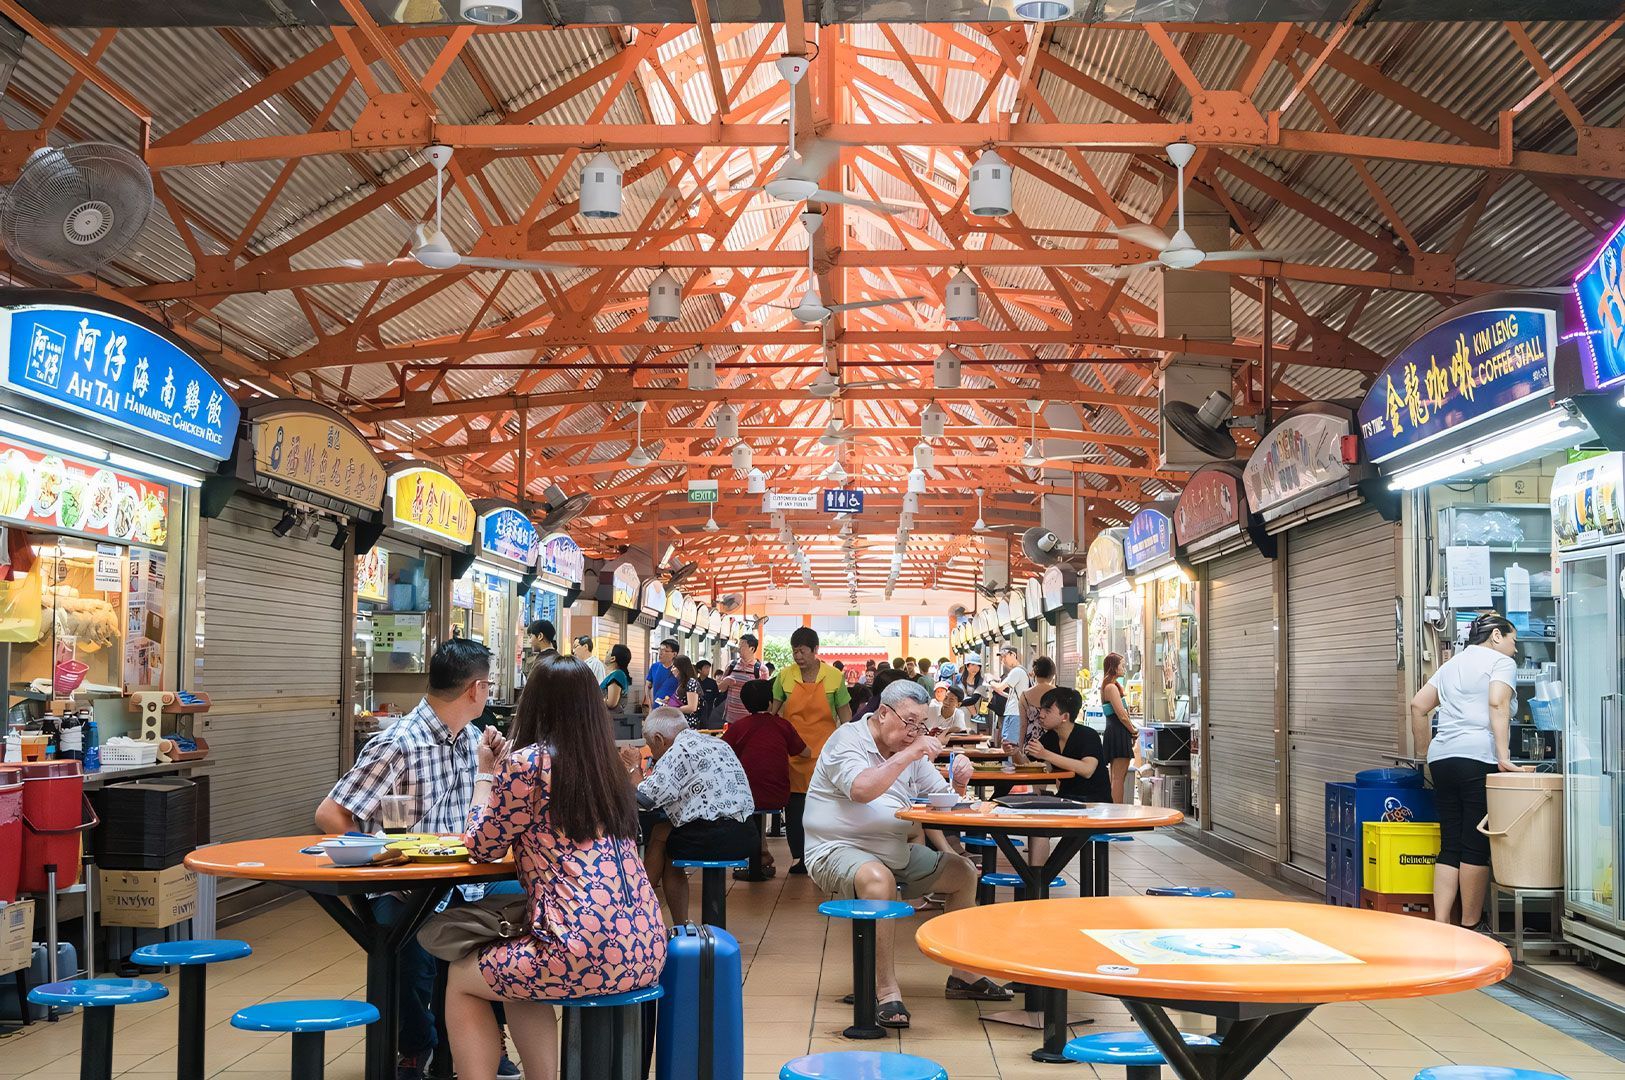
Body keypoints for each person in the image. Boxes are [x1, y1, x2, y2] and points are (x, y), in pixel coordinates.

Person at [446, 654, 666, 1080]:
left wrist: (486, 774)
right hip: (646, 947)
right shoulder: (609, 769)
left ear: (534, 705)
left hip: (580, 948)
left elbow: (481, 845)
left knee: (460, 977)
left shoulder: (527, 763)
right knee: (514, 974)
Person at [316, 640, 519, 1080]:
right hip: (405, 883)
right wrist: (379, 859)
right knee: (406, 948)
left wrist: (496, 770)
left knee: (523, 907)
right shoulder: (398, 743)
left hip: (466, 881)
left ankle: (481, 1040)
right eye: (490, 685)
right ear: (476, 688)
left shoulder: (471, 739)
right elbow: (330, 813)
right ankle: (418, 1045)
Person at [802, 680, 1013, 1027]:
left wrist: (959, 783)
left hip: (893, 849)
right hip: (835, 849)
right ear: (883, 713)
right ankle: (885, 990)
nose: (914, 732)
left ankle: (963, 975)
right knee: (877, 878)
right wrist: (908, 754)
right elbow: (860, 789)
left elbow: (943, 799)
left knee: (962, 873)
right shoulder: (846, 740)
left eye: (920, 725)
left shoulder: (908, 747)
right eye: (909, 722)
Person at [1409, 613, 1532, 931]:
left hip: (1443, 759)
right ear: (1496, 637)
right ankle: (1469, 925)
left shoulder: (1452, 664)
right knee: (1475, 842)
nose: (1515, 649)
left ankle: (1440, 924)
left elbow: (1418, 706)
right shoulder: (1500, 663)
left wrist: (1424, 752)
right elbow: (1497, 704)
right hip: (1477, 757)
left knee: (1450, 841)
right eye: (1513, 640)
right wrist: (1503, 757)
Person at [623, 708, 756, 921]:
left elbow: (645, 799)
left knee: (668, 846)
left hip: (715, 837)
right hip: (747, 833)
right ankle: (647, 909)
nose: (651, 750)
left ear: (659, 738)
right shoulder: (718, 743)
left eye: (650, 743)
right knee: (663, 831)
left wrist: (632, 767)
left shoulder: (678, 750)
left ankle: (642, 910)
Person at [770, 626, 852, 875]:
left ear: (815, 650)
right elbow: (773, 713)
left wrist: (848, 746)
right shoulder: (784, 677)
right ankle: (799, 857)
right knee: (794, 807)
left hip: (826, 753)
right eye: (794, 651)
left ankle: (824, 854)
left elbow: (845, 717)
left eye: (802, 651)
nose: (798, 656)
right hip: (793, 753)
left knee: (823, 806)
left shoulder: (834, 677)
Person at [721, 679, 810, 878]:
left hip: (745, 795)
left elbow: (723, 750)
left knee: (750, 804)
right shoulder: (782, 725)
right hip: (779, 794)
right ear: (771, 702)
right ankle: (762, 854)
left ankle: (758, 855)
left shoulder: (739, 726)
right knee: (766, 802)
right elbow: (805, 752)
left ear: (745, 704)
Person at [1023, 687, 1110, 803]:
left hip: (1093, 801)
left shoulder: (1088, 735)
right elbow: (1026, 764)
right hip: (1065, 798)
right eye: (1041, 709)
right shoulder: (1050, 737)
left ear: (1065, 717)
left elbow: (1087, 770)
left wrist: (1045, 754)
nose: (1041, 715)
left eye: (1048, 711)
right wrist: (1013, 752)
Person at [1100, 652, 1137, 802]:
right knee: (1118, 777)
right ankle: (1117, 811)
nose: (1124, 667)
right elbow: (1122, 715)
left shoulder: (1110, 685)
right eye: (1121, 665)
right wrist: (1133, 731)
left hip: (1114, 730)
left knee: (1115, 776)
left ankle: (1113, 810)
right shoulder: (1111, 687)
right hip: (1118, 731)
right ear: (1113, 667)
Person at [720, 632, 767, 726]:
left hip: (751, 719)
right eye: (739, 645)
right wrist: (725, 682)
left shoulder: (761, 670)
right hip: (731, 717)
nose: (738, 649)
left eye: (742, 646)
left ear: (752, 648)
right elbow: (721, 688)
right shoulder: (731, 665)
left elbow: (764, 696)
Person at [988, 645, 1030, 749]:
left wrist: (990, 681)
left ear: (1013, 655)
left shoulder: (1017, 671)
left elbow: (1000, 687)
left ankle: (1011, 765)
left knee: (1010, 745)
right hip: (1015, 713)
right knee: (1009, 744)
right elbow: (1009, 694)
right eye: (1001, 657)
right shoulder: (1022, 671)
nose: (1003, 660)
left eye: (1004, 656)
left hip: (1015, 714)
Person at [1016, 656, 1057, 749]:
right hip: (1053, 745)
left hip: (1031, 745)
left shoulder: (1025, 696)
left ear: (1035, 673)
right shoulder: (1059, 694)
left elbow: (1023, 725)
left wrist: (1020, 748)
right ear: (1052, 673)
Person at [646, 637, 680, 711]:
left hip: (673, 711)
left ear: (674, 654)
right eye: (660, 650)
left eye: (665, 650)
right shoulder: (655, 667)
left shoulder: (679, 670)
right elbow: (648, 686)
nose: (660, 653)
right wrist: (650, 706)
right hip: (656, 710)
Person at [600, 643, 632, 714]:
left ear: (613, 658)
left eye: (608, 651)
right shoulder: (614, 674)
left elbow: (611, 703)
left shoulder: (618, 674)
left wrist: (596, 700)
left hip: (612, 720)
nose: (606, 653)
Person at [669, 654, 702, 722]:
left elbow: (692, 707)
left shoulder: (691, 682)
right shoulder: (682, 683)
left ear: (681, 668)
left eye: (674, 667)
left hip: (689, 723)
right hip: (681, 721)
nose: (672, 670)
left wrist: (673, 709)